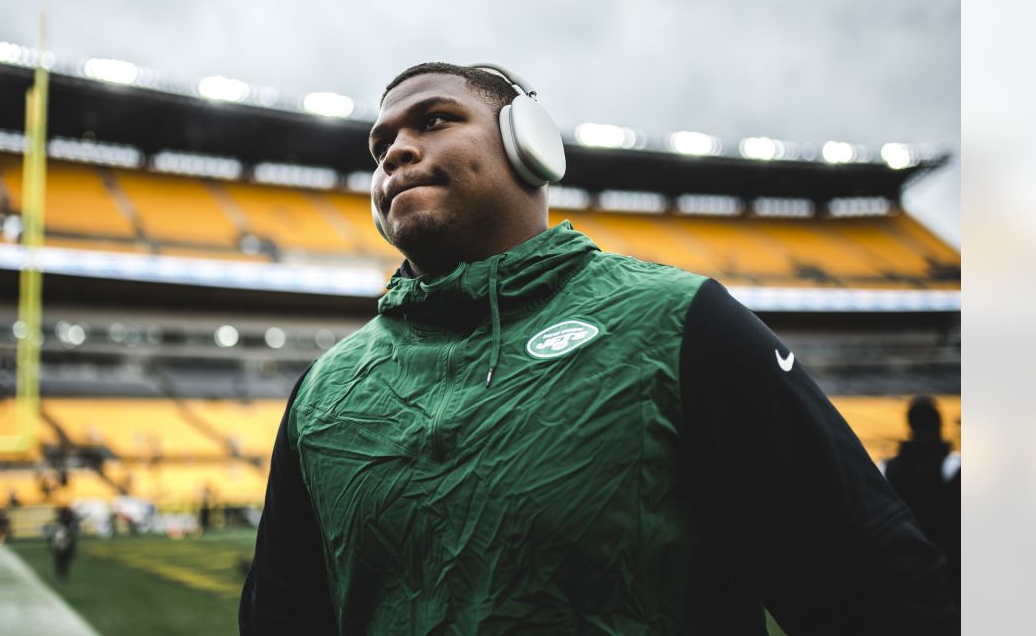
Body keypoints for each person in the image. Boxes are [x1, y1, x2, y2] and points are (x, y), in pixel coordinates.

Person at [240, 63, 958, 635]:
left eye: (433, 120)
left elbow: (873, 593)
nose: (396, 149)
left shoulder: (679, 323)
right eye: (380, 145)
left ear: (531, 142)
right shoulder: (324, 392)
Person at [881, 395, 961, 600]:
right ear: (939, 423)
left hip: (904, 563)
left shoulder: (888, 468)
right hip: (949, 565)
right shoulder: (951, 465)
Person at [47, 505, 78, 582]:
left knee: (62, 562)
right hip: (62, 546)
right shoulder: (63, 525)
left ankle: (61, 575)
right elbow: (71, 538)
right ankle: (62, 575)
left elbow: (50, 537)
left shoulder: (58, 525)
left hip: (60, 546)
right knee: (63, 562)